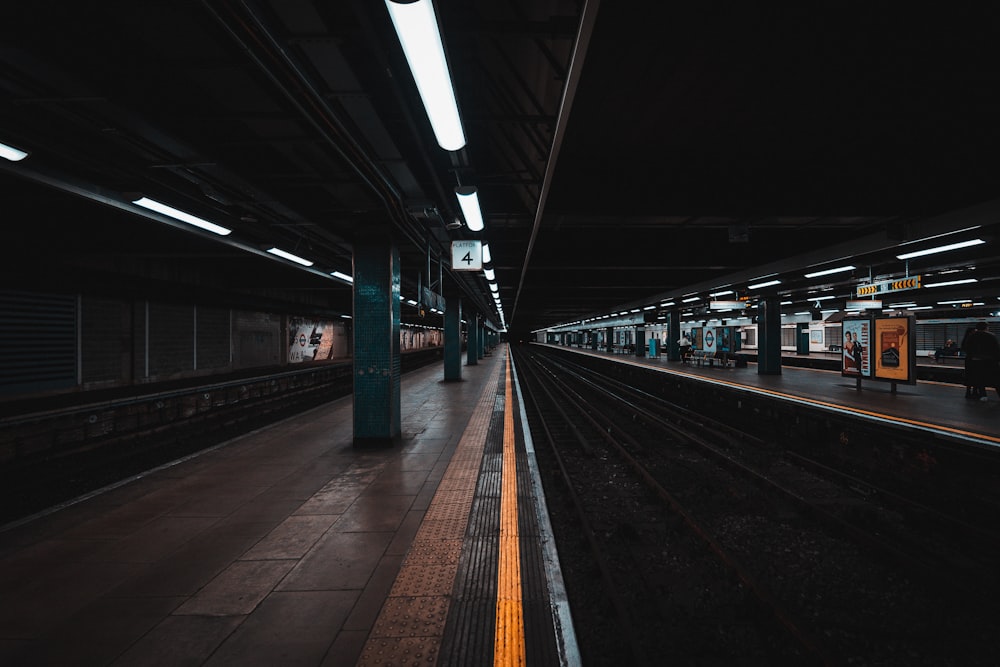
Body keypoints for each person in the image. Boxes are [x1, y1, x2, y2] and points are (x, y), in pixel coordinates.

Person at [960, 322, 1000, 401]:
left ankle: (983, 395)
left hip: (976, 361)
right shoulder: (991, 336)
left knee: (979, 378)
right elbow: (996, 349)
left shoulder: (971, 336)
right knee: (996, 379)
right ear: (986, 327)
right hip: (990, 361)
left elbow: (967, 348)